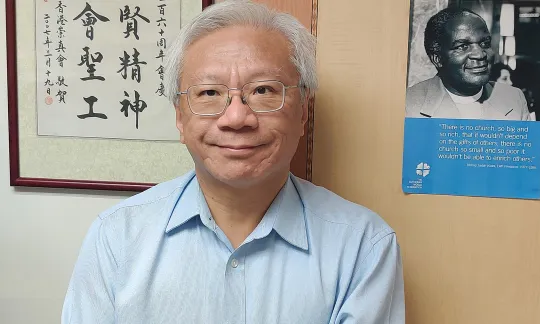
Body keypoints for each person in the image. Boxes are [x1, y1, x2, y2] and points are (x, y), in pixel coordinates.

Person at [61, 1, 405, 323]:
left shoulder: (363, 244)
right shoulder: (118, 235)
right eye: (209, 93)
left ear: (303, 113)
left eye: (264, 91)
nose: (237, 117)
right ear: (180, 118)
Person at [405, 7, 532, 120]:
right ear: (437, 58)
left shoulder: (514, 99)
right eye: (463, 46)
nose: (480, 54)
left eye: (485, 43)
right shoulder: (407, 104)